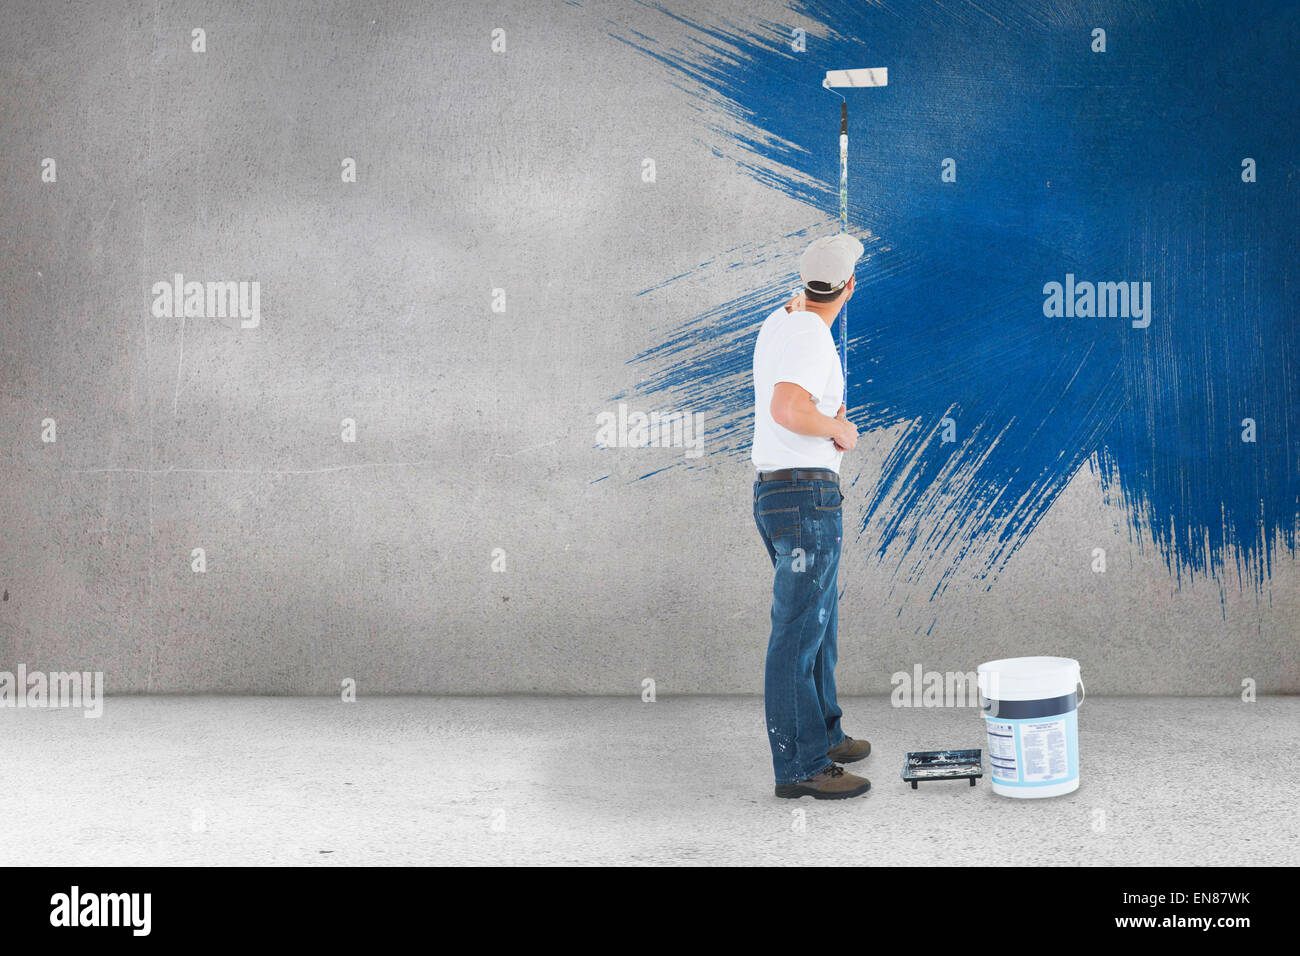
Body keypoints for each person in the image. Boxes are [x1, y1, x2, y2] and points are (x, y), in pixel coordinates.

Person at [751, 234, 872, 799]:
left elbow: (793, 394)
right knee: (799, 633)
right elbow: (787, 408)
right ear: (851, 287)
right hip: (805, 497)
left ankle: (826, 735)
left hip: (784, 494)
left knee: (817, 623)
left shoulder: (782, 322)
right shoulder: (810, 335)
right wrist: (838, 429)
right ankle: (801, 767)